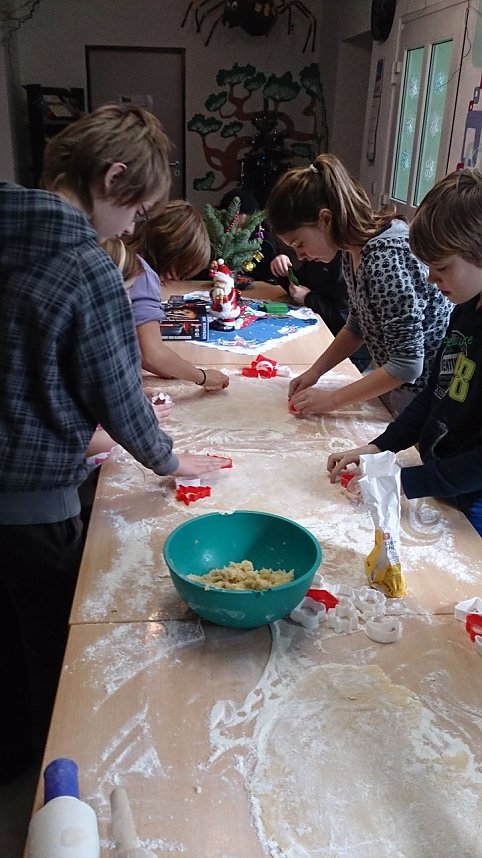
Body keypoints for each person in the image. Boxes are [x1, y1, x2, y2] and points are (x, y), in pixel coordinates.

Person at [0, 103, 226, 783]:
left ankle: (10, 758)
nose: (132, 228)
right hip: (31, 505)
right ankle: (53, 781)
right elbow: (114, 388)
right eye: (136, 210)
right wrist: (169, 459)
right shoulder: (84, 262)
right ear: (112, 177)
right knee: (51, 653)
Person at [327, 167, 482, 536]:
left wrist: (405, 482)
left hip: (475, 500)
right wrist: (379, 447)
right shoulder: (465, 307)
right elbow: (435, 395)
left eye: (442, 267)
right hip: (442, 479)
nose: (430, 278)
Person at [265, 153, 452, 417]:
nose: (300, 256)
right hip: (397, 384)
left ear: (325, 220)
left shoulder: (384, 259)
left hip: (424, 398)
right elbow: (358, 324)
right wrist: (315, 372)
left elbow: (408, 365)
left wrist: (330, 401)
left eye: (299, 244)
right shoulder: (352, 251)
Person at [123, 200, 229, 389]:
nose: (177, 277)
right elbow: (153, 355)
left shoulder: (124, 254)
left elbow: (142, 353)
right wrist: (202, 376)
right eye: (181, 268)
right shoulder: (141, 274)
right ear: (171, 251)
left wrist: (177, 368)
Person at [269, 252, 371, 372]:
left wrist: (308, 298)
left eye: (300, 244)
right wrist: (284, 271)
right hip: (318, 333)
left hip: (351, 354)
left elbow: (345, 321)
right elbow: (300, 289)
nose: (299, 255)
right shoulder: (316, 257)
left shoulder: (346, 264)